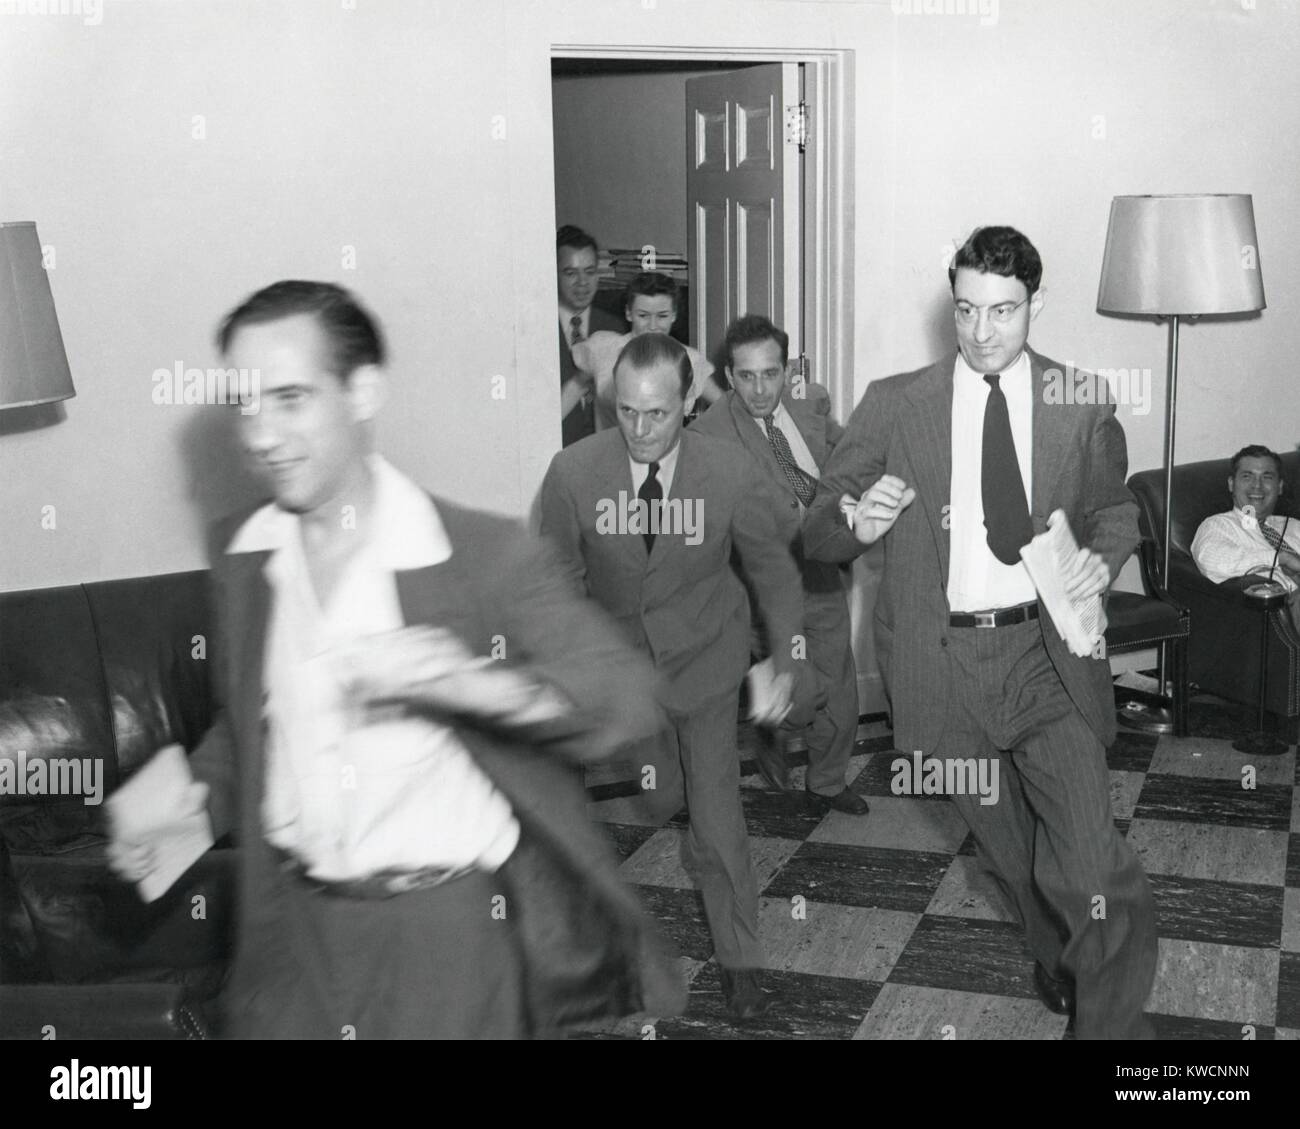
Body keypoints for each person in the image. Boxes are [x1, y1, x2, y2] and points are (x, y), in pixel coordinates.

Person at [108, 280, 685, 1039]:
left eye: (290, 398)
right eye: (245, 402)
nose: (261, 433)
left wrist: (472, 687)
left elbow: (624, 693)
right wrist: (189, 799)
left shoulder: (479, 555)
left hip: (442, 938)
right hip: (292, 937)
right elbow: (256, 727)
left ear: (363, 391)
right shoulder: (246, 557)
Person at [803, 226, 1157, 1040]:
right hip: (941, 668)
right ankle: (1056, 950)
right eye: (966, 310)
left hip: (1045, 656)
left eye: (1003, 311)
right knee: (1011, 853)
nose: (982, 331)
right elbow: (819, 527)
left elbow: (1114, 508)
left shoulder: (1080, 397)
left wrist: (1098, 564)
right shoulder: (897, 402)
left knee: (1090, 859)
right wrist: (854, 518)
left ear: (1036, 303)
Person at [539, 332, 808, 1020]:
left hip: (708, 662)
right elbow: (556, 584)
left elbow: (774, 570)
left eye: (656, 414)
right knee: (649, 799)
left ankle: (742, 960)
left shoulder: (728, 470)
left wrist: (783, 658)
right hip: (622, 675)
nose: (639, 429)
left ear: (687, 402)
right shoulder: (573, 473)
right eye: (626, 410)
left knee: (718, 823)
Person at [692, 313, 867, 815]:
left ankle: (828, 781)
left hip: (821, 566)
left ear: (786, 369)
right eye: (746, 376)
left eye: (770, 373)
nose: (760, 388)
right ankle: (769, 717)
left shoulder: (810, 404)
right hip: (761, 583)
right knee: (798, 682)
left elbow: (847, 456)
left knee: (837, 679)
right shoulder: (708, 436)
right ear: (728, 376)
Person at [572, 270, 721, 432]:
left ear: (674, 315)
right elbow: (573, 389)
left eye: (662, 316)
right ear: (629, 313)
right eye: (643, 315)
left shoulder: (690, 360)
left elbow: (725, 406)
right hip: (608, 453)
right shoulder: (603, 348)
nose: (652, 325)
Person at [1192, 444, 1300, 626]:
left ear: (1280, 486)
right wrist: (1279, 559)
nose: (1257, 486)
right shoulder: (1219, 525)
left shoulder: (1294, 526)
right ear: (1231, 484)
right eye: (1247, 476)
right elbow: (1210, 560)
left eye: (1267, 477)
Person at [557, 225, 624, 447]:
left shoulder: (616, 327)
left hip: (606, 453)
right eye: (570, 273)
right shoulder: (537, 331)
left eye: (589, 271)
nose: (582, 282)